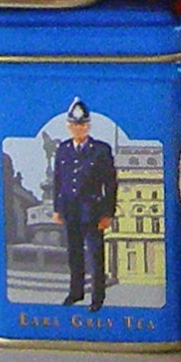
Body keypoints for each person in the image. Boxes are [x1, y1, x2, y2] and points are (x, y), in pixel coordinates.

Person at [46, 99, 117, 309]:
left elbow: (110, 183)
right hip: (71, 210)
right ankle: (75, 292)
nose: (79, 128)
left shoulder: (101, 150)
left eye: (83, 125)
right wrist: (57, 209)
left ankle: (97, 297)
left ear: (88, 126)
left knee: (95, 256)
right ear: (69, 126)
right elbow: (58, 180)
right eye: (75, 125)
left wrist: (108, 213)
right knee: (74, 254)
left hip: (93, 210)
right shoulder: (63, 149)